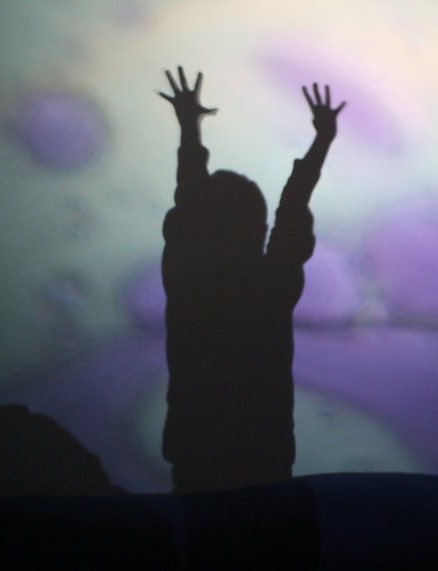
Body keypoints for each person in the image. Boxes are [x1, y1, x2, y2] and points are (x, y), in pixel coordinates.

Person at [158, 66, 344, 493]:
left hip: (194, 455)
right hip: (265, 456)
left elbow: (190, 200)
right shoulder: (271, 287)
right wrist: (322, 142)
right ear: (259, 232)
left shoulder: (187, 279)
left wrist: (189, 126)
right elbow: (294, 206)